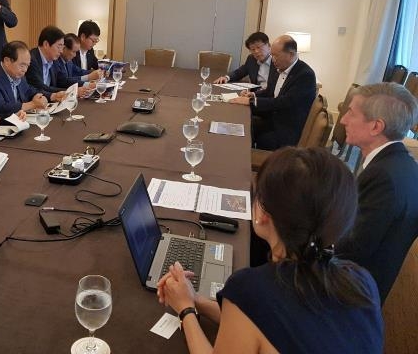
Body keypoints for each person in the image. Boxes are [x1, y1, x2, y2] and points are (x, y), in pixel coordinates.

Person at [158, 147, 383, 353]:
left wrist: (186, 310)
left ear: (263, 213)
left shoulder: (251, 289)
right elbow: (259, 321)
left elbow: (258, 312)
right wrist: (194, 299)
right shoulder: (362, 282)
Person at [336, 82, 418, 304]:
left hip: (352, 294)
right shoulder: (402, 165)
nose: (343, 120)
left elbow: (352, 250)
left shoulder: (383, 177)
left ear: (376, 127)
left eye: (351, 113)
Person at [230, 34, 316, 150]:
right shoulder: (281, 67)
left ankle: (252, 156)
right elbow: (270, 91)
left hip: (287, 127)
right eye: (272, 55)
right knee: (243, 123)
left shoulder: (305, 75)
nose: (273, 59)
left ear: (291, 54)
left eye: (276, 56)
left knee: (255, 134)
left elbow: (284, 102)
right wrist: (253, 95)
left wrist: (252, 101)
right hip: (274, 117)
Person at [0, 40, 50, 118]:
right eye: (22, 65)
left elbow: (28, 91)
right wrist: (32, 104)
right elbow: (1, 108)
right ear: (7, 61)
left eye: (27, 66)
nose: (25, 70)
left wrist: (39, 97)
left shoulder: (17, 74)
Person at [213, 31, 277, 90]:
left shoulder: (278, 61)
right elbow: (239, 72)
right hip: (255, 93)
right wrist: (226, 78)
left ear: (269, 46)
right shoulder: (251, 59)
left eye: (259, 47)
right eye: (253, 49)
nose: (256, 51)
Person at [25, 26, 68, 100]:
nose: (61, 51)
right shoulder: (31, 59)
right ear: (46, 44)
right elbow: (40, 87)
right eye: (59, 46)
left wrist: (78, 88)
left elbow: (62, 80)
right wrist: (68, 92)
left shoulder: (54, 60)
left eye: (62, 47)